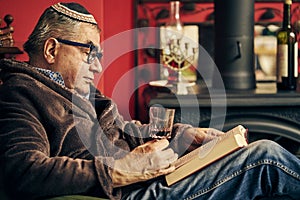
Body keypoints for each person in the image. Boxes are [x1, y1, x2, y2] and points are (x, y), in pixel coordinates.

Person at [0, 2, 299, 200]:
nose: (98, 67)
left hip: (147, 180)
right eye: (88, 53)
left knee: (254, 155)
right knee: (265, 157)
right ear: (52, 50)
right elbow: (23, 171)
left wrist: (184, 136)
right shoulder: (20, 94)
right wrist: (122, 169)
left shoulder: (79, 91)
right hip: (133, 192)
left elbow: (123, 129)